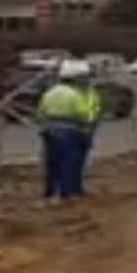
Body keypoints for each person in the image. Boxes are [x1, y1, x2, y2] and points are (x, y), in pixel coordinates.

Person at [38, 61, 97, 201]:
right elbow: (82, 114)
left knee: (52, 162)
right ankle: (65, 193)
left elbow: (41, 111)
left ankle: (49, 191)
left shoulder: (50, 93)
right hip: (69, 131)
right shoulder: (73, 94)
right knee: (67, 161)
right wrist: (86, 126)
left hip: (49, 130)